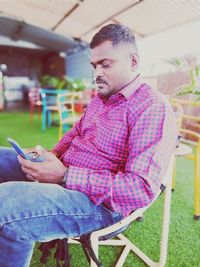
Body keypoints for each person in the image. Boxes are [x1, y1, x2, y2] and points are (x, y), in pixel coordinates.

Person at [0, 24, 177, 267]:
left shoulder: (152, 107)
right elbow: (75, 133)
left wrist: (65, 175)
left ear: (133, 61)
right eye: (94, 66)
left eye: (106, 64)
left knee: (6, 202)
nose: (97, 73)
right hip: (65, 173)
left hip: (100, 203)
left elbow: (140, 189)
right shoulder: (101, 98)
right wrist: (51, 154)